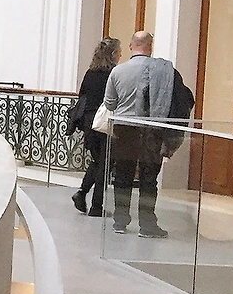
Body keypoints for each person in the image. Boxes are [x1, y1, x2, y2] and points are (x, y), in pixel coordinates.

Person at [102, 31, 195, 238]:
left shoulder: (118, 71)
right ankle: (147, 224)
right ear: (150, 46)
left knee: (123, 176)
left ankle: (120, 221)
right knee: (149, 178)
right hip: (152, 129)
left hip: (124, 128)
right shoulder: (164, 71)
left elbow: (110, 103)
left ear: (130, 46)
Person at [71, 37, 120, 217]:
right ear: (113, 54)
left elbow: (82, 95)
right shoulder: (114, 73)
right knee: (105, 164)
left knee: (98, 160)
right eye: (119, 52)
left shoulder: (90, 73)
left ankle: (82, 193)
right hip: (106, 122)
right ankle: (96, 206)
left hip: (89, 123)